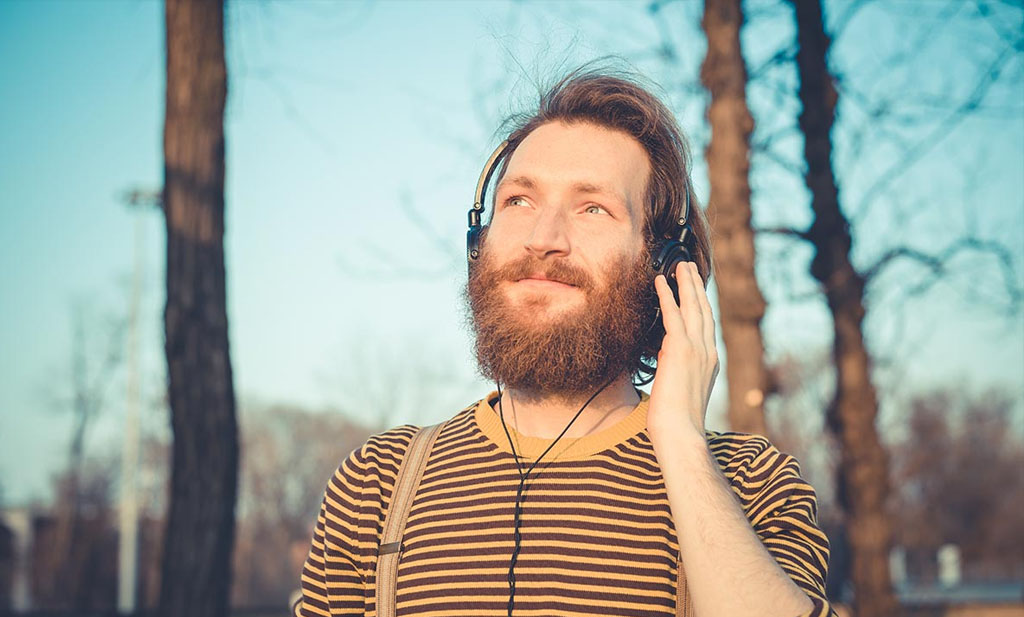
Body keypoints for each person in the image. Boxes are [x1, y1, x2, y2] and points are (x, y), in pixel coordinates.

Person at [294, 67, 836, 617]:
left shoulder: (747, 482)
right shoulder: (377, 485)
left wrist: (680, 443)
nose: (543, 239)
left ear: (665, 267)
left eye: (592, 207)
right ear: (477, 241)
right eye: (519, 201)